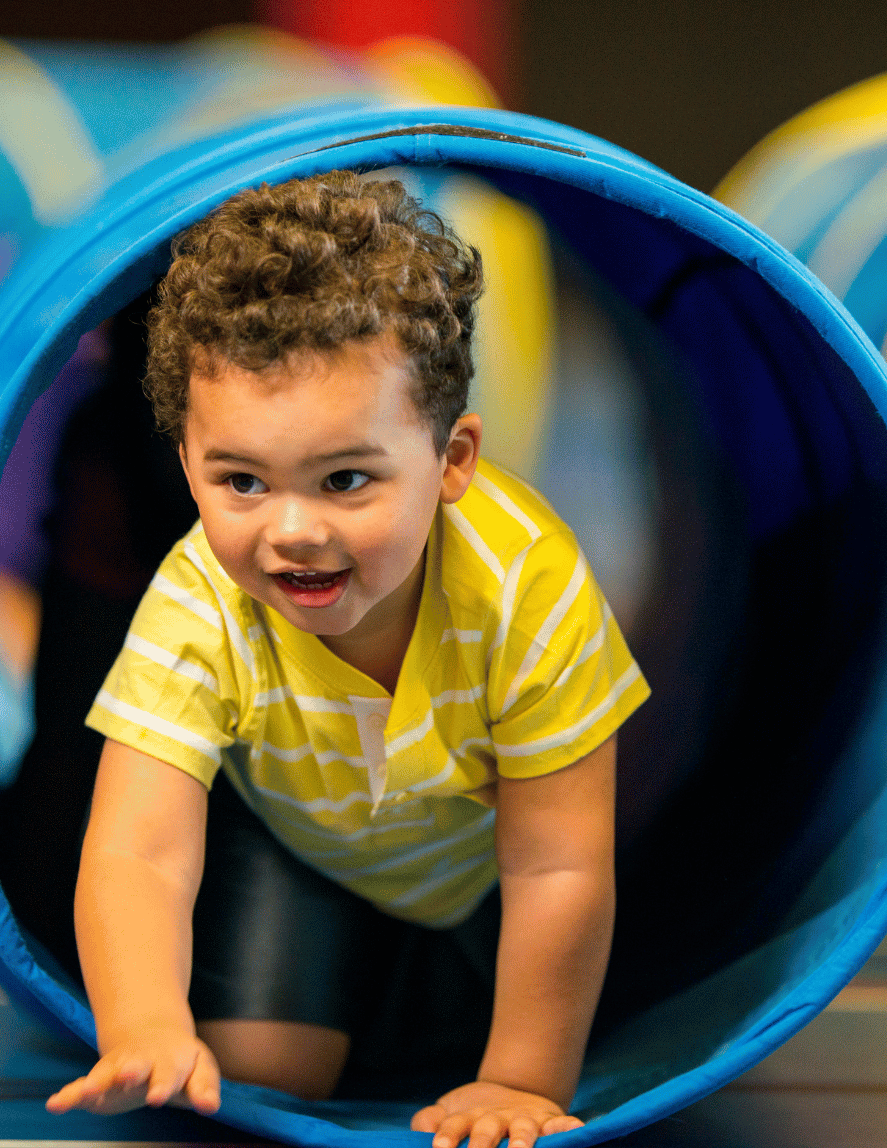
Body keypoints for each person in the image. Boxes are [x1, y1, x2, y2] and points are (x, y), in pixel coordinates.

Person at [44, 171, 649, 1148]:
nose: (293, 532)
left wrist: (521, 1080)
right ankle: (354, 991)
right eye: (240, 479)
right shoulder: (203, 599)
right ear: (188, 460)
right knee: (258, 1079)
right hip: (304, 845)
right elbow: (137, 849)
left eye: (345, 479)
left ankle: (412, 995)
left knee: (547, 1019)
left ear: (452, 460)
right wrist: (144, 1023)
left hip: (481, 871)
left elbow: (557, 862)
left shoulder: (525, 590)